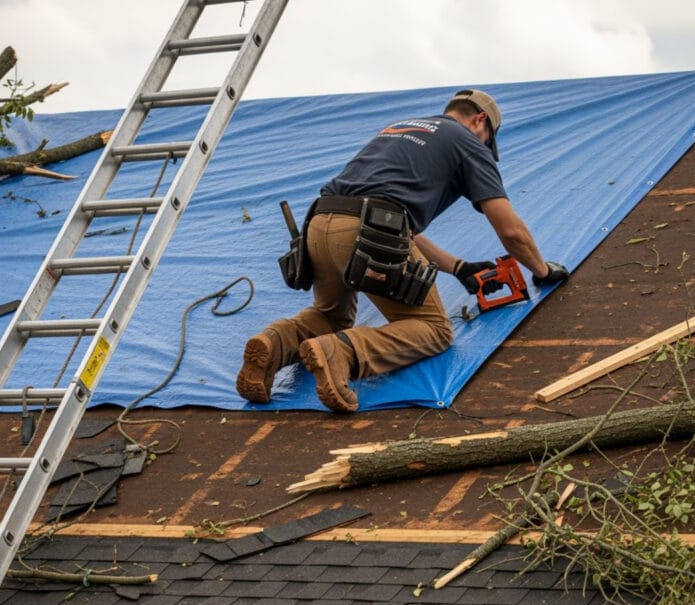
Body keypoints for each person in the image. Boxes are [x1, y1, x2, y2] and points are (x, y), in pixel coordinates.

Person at [236, 89, 569, 412]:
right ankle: (342, 352)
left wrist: (458, 267)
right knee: (433, 329)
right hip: (370, 229)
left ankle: (273, 343)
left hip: (319, 224)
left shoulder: (400, 128)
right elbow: (510, 230)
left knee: (330, 315)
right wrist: (542, 271)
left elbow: (401, 229)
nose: (484, 146)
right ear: (480, 120)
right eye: (487, 140)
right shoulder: (468, 142)